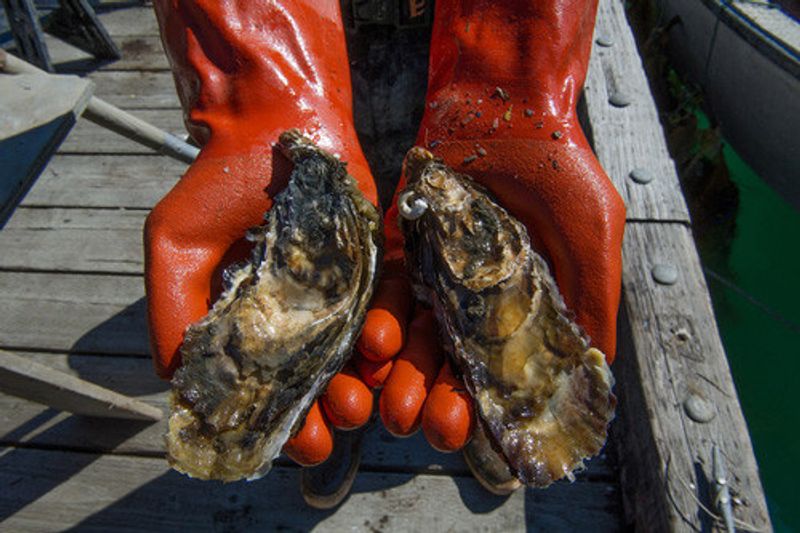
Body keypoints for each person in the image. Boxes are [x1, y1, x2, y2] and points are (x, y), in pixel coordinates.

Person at [146, 0, 625, 507]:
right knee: (366, 304)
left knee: (411, 241)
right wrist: (259, 84)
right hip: (305, 42)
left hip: (463, 34)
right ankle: (321, 390)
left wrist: (515, 69)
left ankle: (493, 402)